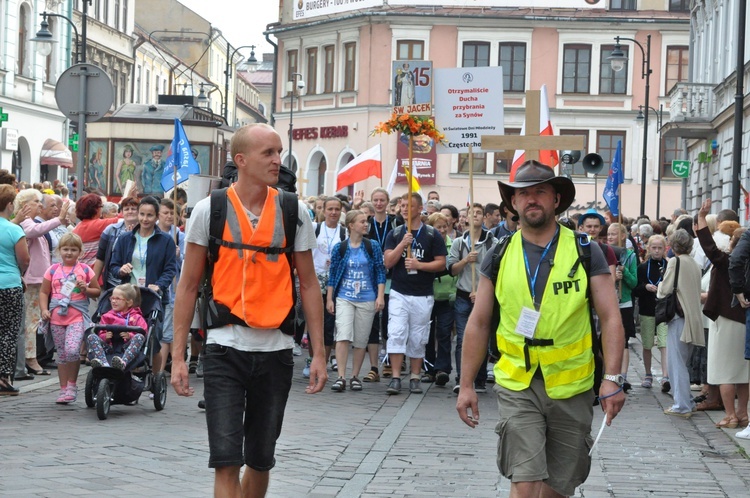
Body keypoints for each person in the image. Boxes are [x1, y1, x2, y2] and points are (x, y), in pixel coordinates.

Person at [170, 123, 327, 496]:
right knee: (225, 461)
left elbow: (309, 284)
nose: (278, 160)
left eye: (279, 151)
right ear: (241, 160)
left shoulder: (294, 211)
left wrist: (318, 352)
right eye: (268, 153)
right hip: (224, 348)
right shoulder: (210, 210)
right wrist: (178, 356)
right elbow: (188, 286)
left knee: (259, 460)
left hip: (276, 351)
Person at [456, 161, 625, 498]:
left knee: (558, 487)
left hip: (572, 385)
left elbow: (610, 317)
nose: (531, 199)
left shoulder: (584, 250)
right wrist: (465, 386)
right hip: (518, 382)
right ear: (513, 204)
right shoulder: (499, 253)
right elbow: (478, 321)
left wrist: (613, 378)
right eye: (523, 194)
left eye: (540, 192)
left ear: (556, 199)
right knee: (525, 477)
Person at [383, 192, 448, 394]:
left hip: (423, 293)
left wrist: (419, 264)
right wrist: (403, 244)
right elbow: (388, 262)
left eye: (409, 205)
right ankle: (395, 376)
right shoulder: (395, 234)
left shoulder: (431, 234)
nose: (404, 209)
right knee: (396, 332)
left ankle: (415, 376)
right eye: (402, 205)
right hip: (399, 292)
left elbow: (441, 263)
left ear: (420, 209)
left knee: (418, 336)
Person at [696, 199, 748, 428]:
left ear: (732, 244)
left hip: (726, 320)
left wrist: (700, 218)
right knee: (744, 371)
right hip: (745, 320)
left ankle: (730, 416)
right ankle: (743, 413)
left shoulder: (728, 261)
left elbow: (708, 247)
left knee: (725, 372)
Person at [326, 210, 386, 392]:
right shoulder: (340, 247)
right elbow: (333, 274)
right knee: (343, 335)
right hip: (345, 296)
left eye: (366, 221)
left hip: (367, 297)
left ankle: (355, 376)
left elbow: (380, 271)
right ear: (351, 225)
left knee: (361, 339)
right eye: (362, 222)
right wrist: (330, 298)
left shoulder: (372, 246)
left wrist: (380, 295)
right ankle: (341, 376)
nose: (365, 224)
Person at [109, 196, 178, 352]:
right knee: (126, 334)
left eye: (149, 215)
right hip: (129, 295)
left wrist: (159, 285)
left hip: (152, 295)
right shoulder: (125, 238)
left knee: (152, 339)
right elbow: (113, 265)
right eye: (142, 214)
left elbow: (170, 269)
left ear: (156, 216)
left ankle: (154, 372)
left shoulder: (165, 240)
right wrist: (120, 270)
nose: (145, 219)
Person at [39, 233, 100, 403]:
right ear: (59, 251)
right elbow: (44, 292)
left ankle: (72, 385)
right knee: (62, 354)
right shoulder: (52, 270)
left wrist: (86, 289)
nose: (69, 253)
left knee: (73, 350)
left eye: (73, 250)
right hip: (56, 318)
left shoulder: (85, 270)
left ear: (80, 252)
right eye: (65, 249)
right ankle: (63, 389)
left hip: (77, 317)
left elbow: (97, 291)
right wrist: (44, 309)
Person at [17, 189, 71, 375]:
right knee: (31, 321)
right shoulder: (25, 222)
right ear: (25, 204)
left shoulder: (29, 222)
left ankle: (31, 357)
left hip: (38, 278)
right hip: (32, 279)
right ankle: (30, 359)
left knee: (35, 320)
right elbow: (33, 231)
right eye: (36, 201)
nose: (40, 205)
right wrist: (59, 219)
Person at [447, 203, 495, 392]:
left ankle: (480, 379)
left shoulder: (492, 242)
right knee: (462, 338)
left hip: (482, 297)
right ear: (465, 217)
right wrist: (466, 260)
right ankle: (462, 378)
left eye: (478, 213)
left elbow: (496, 271)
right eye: (471, 213)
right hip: (463, 295)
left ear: (484, 217)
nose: (474, 215)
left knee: (482, 337)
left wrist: (482, 292)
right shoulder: (460, 243)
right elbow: (451, 270)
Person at [658, 228, 704, 417]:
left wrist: (658, 285)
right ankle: (687, 402)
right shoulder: (693, 263)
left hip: (678, 316)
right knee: (683, 362)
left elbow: (665, 289)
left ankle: (682, 405)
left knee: (676, 363)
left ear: (672, 244)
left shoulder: (675, 262)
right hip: (692, 316)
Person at [364, 187, 400, 382]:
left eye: (382, 200)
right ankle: (373, 367)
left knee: (389, 322)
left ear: (387, 203)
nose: (378, 203)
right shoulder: (366, 224)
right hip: (371, 278)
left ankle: (389, 359)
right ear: (372, 202)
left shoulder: (396, 223)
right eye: (375, 200)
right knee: (371, 323)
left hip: (391, 278)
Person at [310, 196, 348, 375]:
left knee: (329, 323)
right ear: (323, 211)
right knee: (313, 320)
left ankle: (323, 364)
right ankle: (312, 359)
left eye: (337, 209)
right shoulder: (315, 228)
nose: (333, 212)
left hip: (334, 282)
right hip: (315, 280)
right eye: (330, 209)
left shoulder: (344, 232)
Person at [0, 185, 30, 395]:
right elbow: (24, 259)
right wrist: (21, 273)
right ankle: (2, 378)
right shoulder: (13, 230)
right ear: (10, 204)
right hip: (9, 285)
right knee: (9, 332)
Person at [422, 212, 457, 384]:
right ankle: (428, 368)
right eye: (438, 227)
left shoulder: (454, 245)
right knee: (427, 334)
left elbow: (456, 270)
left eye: (445, 226)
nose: (442, 230)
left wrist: (454, 291)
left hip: (447, 297)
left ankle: (443, 368)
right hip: (428, 295)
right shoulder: (428, 245)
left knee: (444, 332)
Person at [633, 234, 669, 389]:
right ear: (649, 249)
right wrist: (645, 287)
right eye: (654, 248)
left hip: (664, 310)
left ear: (664, 249)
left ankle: (665, 375)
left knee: (664, 343)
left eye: (659, 248)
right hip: (647, 309)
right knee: (647, 344)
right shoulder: (642, 267)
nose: (656, 251)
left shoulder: (669, 266)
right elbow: (635, 289)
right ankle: (648, 373)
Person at [155, 198, 185, 373]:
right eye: (165, 212)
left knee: (167, 331)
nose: (169, 216)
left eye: (172, 213)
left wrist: (178, 256)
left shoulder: (178, 235)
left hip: (172, 289)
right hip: (154, 286)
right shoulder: (154, 232)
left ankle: (160, 372)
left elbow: (185, 261)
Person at [86, 284, 147, 370]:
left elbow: (144, 332)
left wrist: (130, 336)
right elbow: (101, 333)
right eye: (112, 298)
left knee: (140, 336)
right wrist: (105, 337)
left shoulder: (136, 317)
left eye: (117, 299)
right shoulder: (107, 316)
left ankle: (123, 363)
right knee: (91, 336)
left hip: (126, 349)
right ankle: (103, 363)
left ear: (129, 302)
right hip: (109, 347)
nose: (113, 301)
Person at [608, 222, 638, 392]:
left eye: (614, 234)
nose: (610, 237)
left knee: (624, 340)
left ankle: (623, 376)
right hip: (609, 301)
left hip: (624, 302)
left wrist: (623, 271)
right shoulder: (603, 253)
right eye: (609, 234)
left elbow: (634, 282)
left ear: (623, 236)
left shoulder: (630, 256)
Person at [93, 196, 140, 291]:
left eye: (133, 209)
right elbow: (100, 258)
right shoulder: (111, 230)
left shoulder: (146, 231)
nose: (130, 211)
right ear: (121, 212)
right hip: (113, 283)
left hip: (137, 283)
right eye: (126, 209)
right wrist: (93, 283)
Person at [72, 193, 121, 269]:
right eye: (101, 206)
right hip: (94, 274)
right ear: (96, 209)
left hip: (81, 271)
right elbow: (122, 219)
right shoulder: (97, 225)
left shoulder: (77, 227)